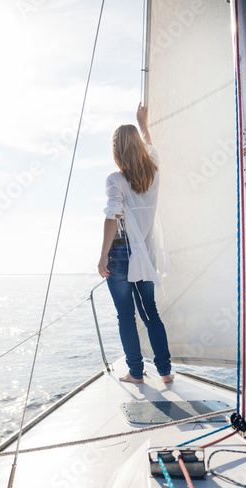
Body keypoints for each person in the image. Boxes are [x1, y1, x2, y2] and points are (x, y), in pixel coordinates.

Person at [97, 103, 173, 384]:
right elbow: (150, 149)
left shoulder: (115, 179)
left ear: (117, 151)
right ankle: (165, 372)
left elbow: (111, 217)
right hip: (145, 253)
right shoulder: (153, 171)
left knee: (126, 316)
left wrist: (103, 255)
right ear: (139, 146)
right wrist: (143, 124)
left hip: (120, 251)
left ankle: (136, 373)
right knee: (150, 312)